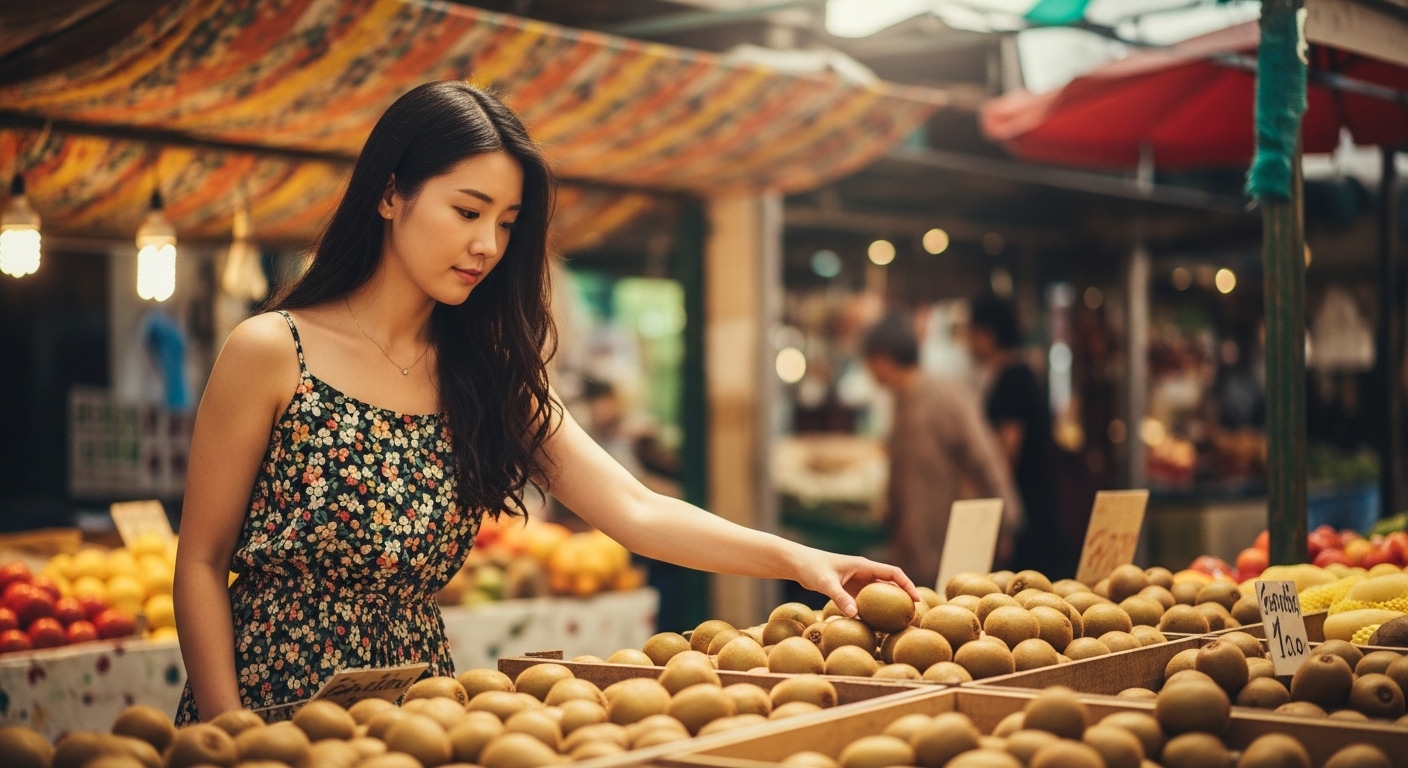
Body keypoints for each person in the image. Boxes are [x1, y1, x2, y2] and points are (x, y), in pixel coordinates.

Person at [173, 82, 916, 723]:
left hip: (418, 711)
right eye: (468, 211)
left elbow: (635, 510)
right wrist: (229, 730)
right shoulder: (273, 350)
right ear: (391, 193)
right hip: (266, 696)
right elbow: (200, 561)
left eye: (506, 222)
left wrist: (801, 559)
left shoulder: (483, 374)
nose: (488, 245)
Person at [862, 314, 1021, 588]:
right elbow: (899, 470)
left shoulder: (947, 396)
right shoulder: (901, 401)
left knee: (957, 614)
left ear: (882, 359)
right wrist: (891, 516)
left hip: (955, 535)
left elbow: (986, 459)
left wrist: (1006, 523)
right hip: (915, 540)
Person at [967, 295, 1067, 577]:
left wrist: (1000, 522)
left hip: (1026, 507)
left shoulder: (1012, 379)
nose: (968, 341)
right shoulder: (1021, 372)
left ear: (987, 334)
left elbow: (1005, 453)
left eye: (971, 332)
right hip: (1037, 501)